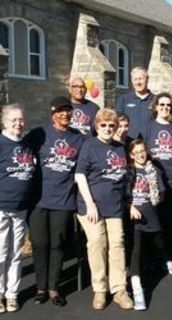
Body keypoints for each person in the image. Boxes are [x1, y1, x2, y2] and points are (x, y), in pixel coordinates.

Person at [28, 97, 84, 307]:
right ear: (53, 114)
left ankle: (53, 288)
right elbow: (18, 150)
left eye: (68, 111)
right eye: (60, 112)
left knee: (58, 245)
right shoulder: (38, 134)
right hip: (38, 200)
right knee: (40, 244)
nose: (65, 115)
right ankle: (40, 287)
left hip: (64, 200)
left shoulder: (79, 138)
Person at [75, 108, 133, 311]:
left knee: (117, 243)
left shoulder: (120, 147)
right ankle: (100, 288)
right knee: (98, 243)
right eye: (103, 125)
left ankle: (119, 289)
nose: (108, 128)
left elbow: (124, 177)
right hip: (91, 206)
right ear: (96, 126)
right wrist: (90, 203)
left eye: (111, 125)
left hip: (115, 205)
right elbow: (80, 175)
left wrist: (128, 199)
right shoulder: (89, 145)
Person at [144, 92, 172, 268]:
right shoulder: (148, 128)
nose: (165, 108)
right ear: (155, 107)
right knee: (156, 222)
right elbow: (143, 154)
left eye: (168, 105)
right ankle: (158, 257)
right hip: (155, 184)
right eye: (161, 104)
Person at [0, 104, 35, 313]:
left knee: (16, 253)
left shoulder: (27, 143)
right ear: (4, 121)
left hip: (21, 208)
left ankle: (12, 294)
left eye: (21, 119)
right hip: (1, 208)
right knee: (1, 252)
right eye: (13, 120)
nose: (18, 123)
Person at [126, 139, 166, 310]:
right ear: (131, 155)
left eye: (143, 151)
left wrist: (153, 198)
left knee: (159, 243)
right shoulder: (129, 171)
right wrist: (131, 206)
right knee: (136, 249)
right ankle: (136, 286)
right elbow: (121, 195)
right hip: (134, 217)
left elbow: (161, 196)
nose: (141, 154)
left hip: (152, 216)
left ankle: (168, 259)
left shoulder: (153, 170)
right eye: (136, 152)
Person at [116, 66, 155, 140]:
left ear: (147, 79)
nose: (138, 82)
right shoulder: (124, 99)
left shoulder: (155, 100)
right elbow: (118, 121)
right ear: (132, 81)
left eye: (141, 79)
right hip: (128, 142)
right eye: (135, 79)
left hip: (150, 142)